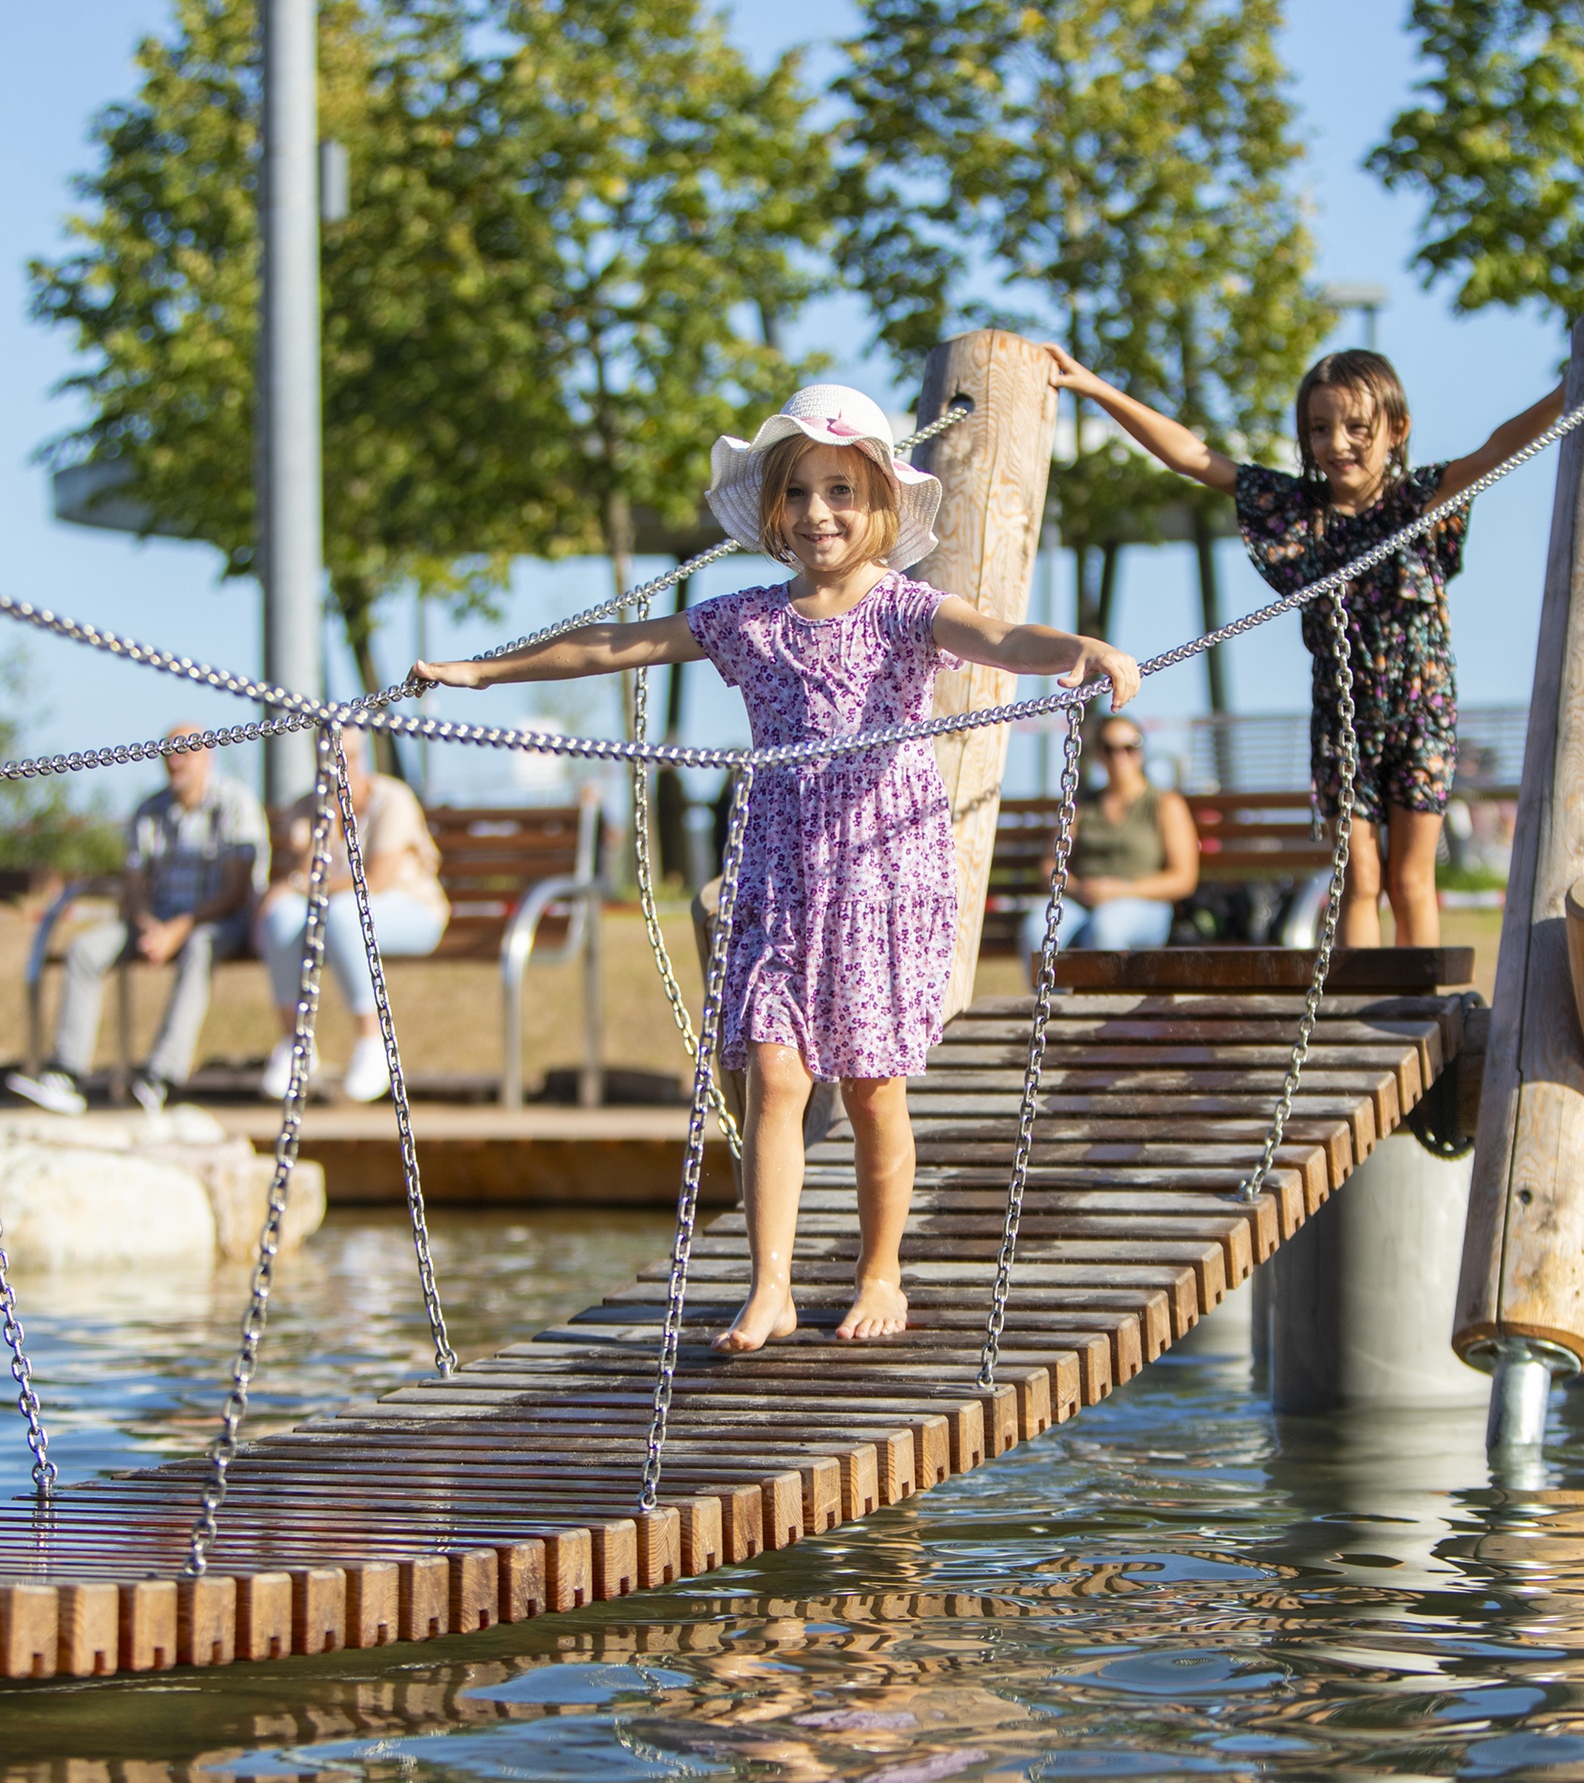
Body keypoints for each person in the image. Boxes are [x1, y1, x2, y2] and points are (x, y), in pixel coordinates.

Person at [410, 383, 1138, 1351]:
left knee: (876, 1085)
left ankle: (882, 1271)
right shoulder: (749, 620)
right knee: (773, 1073)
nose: (817, 514)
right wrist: (482, 672)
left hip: (878, 874)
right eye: (797, 494)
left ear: (879, 500)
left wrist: (1078, 649)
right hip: (782, 876)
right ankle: (773, 1284)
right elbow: (618, 643)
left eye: (839, 490)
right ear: (774, 511)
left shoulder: (905, 613)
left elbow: (1000, 638)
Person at [1044, 345, 1569, 948]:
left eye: (1356, 428)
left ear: (1396, 430)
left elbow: (1499, 448)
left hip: (1422, 713)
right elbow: (1192, 455)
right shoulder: (1297, 510)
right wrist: (1097, 390)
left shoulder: (1421, 500)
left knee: (1410, 878)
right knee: (1359, 875)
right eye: (1320, 429)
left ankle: (1423, 1007)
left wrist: (1563, 393)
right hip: (1343, 718)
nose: (1337, 443)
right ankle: (1363, 1012)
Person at [9, 728, 268, 1116]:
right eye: (169, 752)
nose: (175, 760)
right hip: (154, 920)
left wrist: (178, 929)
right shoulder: (150, 809)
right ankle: (67, 1073)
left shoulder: (234, 803)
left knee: (200, 947)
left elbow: (236, 890)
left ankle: (160, 1076)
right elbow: (133, 885)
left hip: (217, 920)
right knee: (85, 949)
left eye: (185, 752)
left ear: (208, 756)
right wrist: (149, 924)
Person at [259, 728, 448, 1103]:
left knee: (345, 914)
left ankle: (371, 1042)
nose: (340, 766)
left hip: (410, 911)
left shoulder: (392, 799)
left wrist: (300, 886)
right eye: (330, 757)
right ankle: (296, 1044)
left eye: (349, 756)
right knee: (279, 916)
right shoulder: (306, 807)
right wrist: (322, 824)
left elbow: (374, 881)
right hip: (333, 918)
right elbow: (302, 872)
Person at [1017, 714, 1199, 962]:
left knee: (1106, 928)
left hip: (1143, 904)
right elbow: (1050, 865)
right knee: (1037, 927)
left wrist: (1122, 890)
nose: (1119, 757)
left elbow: (1183, 878)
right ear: (1098, 754)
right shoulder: (1083, 807)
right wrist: (1079, 889)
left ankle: (1106, 1001)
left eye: (1129, 748)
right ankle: (1054, 1001)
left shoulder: (1164, 803)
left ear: (1142, 752)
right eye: (1109, 749)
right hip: (1082, 903)